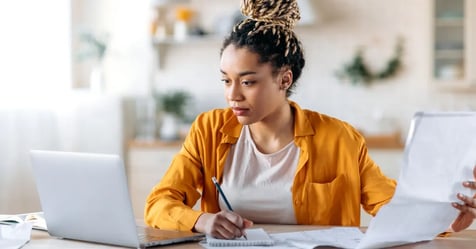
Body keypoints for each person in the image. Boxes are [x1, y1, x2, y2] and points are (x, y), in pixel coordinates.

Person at [145, 0, 476, 239]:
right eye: (225, 80)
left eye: (247, 81)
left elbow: (392, 204)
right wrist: (202, 220)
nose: (233, 94)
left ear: (284, 80)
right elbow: (160, 203)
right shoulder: (209, 130)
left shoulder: (340, 138)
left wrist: (446, 217)